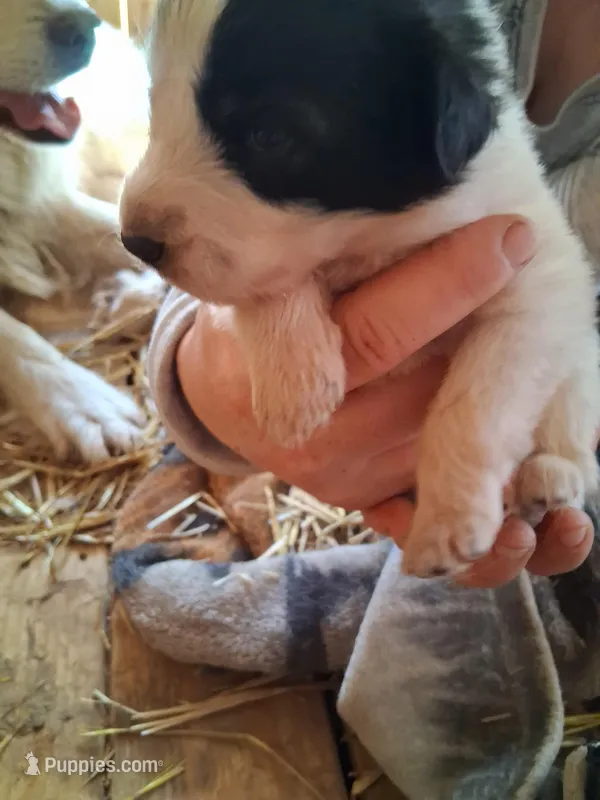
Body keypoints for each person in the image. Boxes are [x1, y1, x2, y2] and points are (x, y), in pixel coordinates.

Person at [143, 0, 600, 795]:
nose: (143, 193)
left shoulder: (451, 123)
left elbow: (545, 306)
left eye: (267, 135)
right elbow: (252, 263)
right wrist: (204, 373)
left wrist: (470, 460)